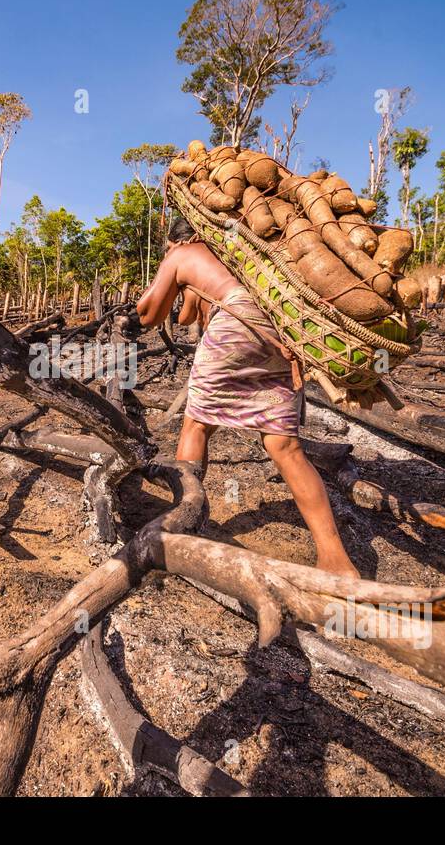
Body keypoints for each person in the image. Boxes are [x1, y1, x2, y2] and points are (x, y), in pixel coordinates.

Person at [135, 215, 360, 579]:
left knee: (196, 426)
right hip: (280, 334)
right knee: (284, 447)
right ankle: (336, 559)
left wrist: (165, 275)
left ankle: (180, 523)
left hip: (234, 326)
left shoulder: (183, 253)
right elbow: (191, 311)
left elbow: (149, 314)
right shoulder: (243, 258)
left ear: (179, 239)